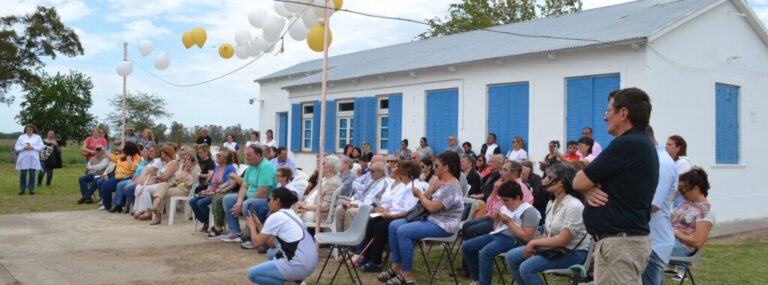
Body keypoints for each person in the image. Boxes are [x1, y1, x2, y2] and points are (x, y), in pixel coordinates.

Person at [573, 87, 657, 284]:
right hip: (622, 244)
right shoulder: (639, 143)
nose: (605, 118)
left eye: (608, 111)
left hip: (621, 245)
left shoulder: (627, 144)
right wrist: (589, 189)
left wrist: (587, 185)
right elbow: (589, 183)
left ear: (623, 113)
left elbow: (579, 180)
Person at [378, 152, 464, 284]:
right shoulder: (442, 183)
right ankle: (397, 266)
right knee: (394, 225)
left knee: (404, 231)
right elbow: (427, 203)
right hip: (433, 220)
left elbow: (432, 207)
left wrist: (419, 194)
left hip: (444, 225)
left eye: (437, 165)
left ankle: (406, 274)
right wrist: (429, 191)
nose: (434, 169)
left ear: (446, 167)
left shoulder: (451, 186)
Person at [505, 163, 590, 285]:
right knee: (511, 256)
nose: (544, 180)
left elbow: (562, 241)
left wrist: (534, 242)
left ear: (561, 182)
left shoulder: (574, 205)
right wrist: (537, 245)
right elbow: (547, 232)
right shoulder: (552, 202)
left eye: (549, 178)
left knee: (527, 268)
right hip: (554, 249)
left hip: (573, 252)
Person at [463, 181, 540, 285]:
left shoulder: (529, 211)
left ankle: (484, 283)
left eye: (506, 200)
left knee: (485, 253)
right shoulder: (505, 207)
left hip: (513, 240)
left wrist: (508, 222)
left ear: (517, 198)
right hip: (498, 235)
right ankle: (476, 279)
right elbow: (496, 229)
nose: (504, 203)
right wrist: (497, 220)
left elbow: (527, 237)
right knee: (467, 246)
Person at [359, 161, 428, 272]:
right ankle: (367, 256)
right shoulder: (406, 185)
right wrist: (385, 210)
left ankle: (376, 262)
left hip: (406, 217)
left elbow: (409, 211)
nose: (400, 176)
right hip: (394, 213)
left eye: (402, 174)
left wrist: (390, 215)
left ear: (407, 176)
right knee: (372, 220)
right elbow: (396, 203)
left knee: (381, 226)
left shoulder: (414, 187)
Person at [245, 187, 318, 284]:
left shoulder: (276, 216)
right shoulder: (292, 214)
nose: (268, 202)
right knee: (272, 253)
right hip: (311, 262)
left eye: (270, 199)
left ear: (277, 201)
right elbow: (271, 244)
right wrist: (258, 224)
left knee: (253, 274)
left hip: (299, 265)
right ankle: (296, 280)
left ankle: (292, 283)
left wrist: (252, 227)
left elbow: (257, 243)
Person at [641, 126, 679, 285]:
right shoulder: (654, 159)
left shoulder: (661, 163)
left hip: (654, 243)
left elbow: (653, 205)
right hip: (651, 239)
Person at [220, 145, 277, 243]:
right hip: (252, 196)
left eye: (249, 155)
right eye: (246, 155)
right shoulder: (251, 166)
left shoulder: (265, 167)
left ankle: (253, 237)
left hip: (266, 199)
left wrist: (242, 204)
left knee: (248, 204)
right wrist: (239, 201)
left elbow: (262, 192)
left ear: (258, 155)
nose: (246, 158)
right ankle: (235, 232)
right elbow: (244, 186)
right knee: (228, 199)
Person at [669, 168, 714, 277]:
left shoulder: (706, 211)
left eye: (683, 190)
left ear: (696, 189)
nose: (681, 193)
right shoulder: (686, 204)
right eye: (679, 190)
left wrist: (675, 232)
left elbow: (698, 242)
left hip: (682, 247)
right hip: (670, 240)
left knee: (645, 249)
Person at [190, 148, 238, 235]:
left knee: (201, 203)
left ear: (225, 159)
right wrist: (208, 189)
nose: (217, 156)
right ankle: (206, 220)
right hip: (212, 191)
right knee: (192, 201)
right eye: (217, 155)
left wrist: (214, 192)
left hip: (222, 193)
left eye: (219, 155)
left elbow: (228, 185)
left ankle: (211, 223)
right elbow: (212, 182)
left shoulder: (230, 168)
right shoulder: (217, 167)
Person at [335, 161, 389, 232]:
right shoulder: (372, 181)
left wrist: (357, 205)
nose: (369, 173)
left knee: (351, 211)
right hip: (363, 204)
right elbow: (362, 196)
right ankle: (339, 237)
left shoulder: (385, 184)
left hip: (373, 208)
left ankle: (349, 240)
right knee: (340, 209)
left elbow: (375, 202)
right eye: (369, 170)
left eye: (372, 171)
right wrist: (352, 203)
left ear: (380, 172)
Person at [150, 153, 201, 225]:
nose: (185, 161)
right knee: (162, 185)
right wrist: (178, 178)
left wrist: (187, 171)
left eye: (188, 159)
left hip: (185, 190)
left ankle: (157, 212)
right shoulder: (182, 166)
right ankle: (156, 206)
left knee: (161, 193)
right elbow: (177, 177)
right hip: (176, 186)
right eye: (185, 159)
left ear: (192, 160)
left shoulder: (196, 168)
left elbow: (190, 183)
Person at [132, 144, 179, 220]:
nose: (161, 156)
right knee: (140, 187)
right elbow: (161, 175)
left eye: (163, 154)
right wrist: (155, 175)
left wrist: (156, 177)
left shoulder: (172, 163)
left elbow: (165, 177)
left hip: (167, 185)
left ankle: (147, 211)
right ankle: (140, 209)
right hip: (160, 183)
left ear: (167, 154)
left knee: (145, 189)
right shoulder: (166, 163)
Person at [296, 155, 343, 225]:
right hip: (310, 210)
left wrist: (305, 206)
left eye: (323, 163)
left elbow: (325, 207)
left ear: (330, 168)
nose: (319, 165)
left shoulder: (333, 183)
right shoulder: (325, 179)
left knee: (287, 217)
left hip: (318, 215)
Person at [99, 142, 142, 210]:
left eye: (124, 148)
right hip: (117, 177)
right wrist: (104, 151)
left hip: (128, 177)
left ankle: (119, 206)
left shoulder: (137, 157)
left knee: (120, 185)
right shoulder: (122, 155)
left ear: (129, 149)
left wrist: (129, 161)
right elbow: (114, 158)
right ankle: (107, 206)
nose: (123, 149)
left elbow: (136, 169)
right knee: (105, 186)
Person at [15, 124, 44, 195]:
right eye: (27, 129)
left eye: (30, 129)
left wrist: (32, 147)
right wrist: (23, 148)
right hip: (23, 157)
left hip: (33, 158)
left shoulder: (37, 137)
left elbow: (41, 146)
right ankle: (23, 189)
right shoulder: (21, 137)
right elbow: (16, 147)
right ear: (25, 130)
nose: (28, 130)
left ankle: (31, 189)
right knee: (23, 173)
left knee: (32, 173)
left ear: (33, 129)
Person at [521, 161, 548, 225]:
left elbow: (536, 194)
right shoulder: (519, 179)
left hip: (536, 206)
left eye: (527, 169)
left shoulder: (536, 178)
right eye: (522, 169)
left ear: (531, 170)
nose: (524, 172)